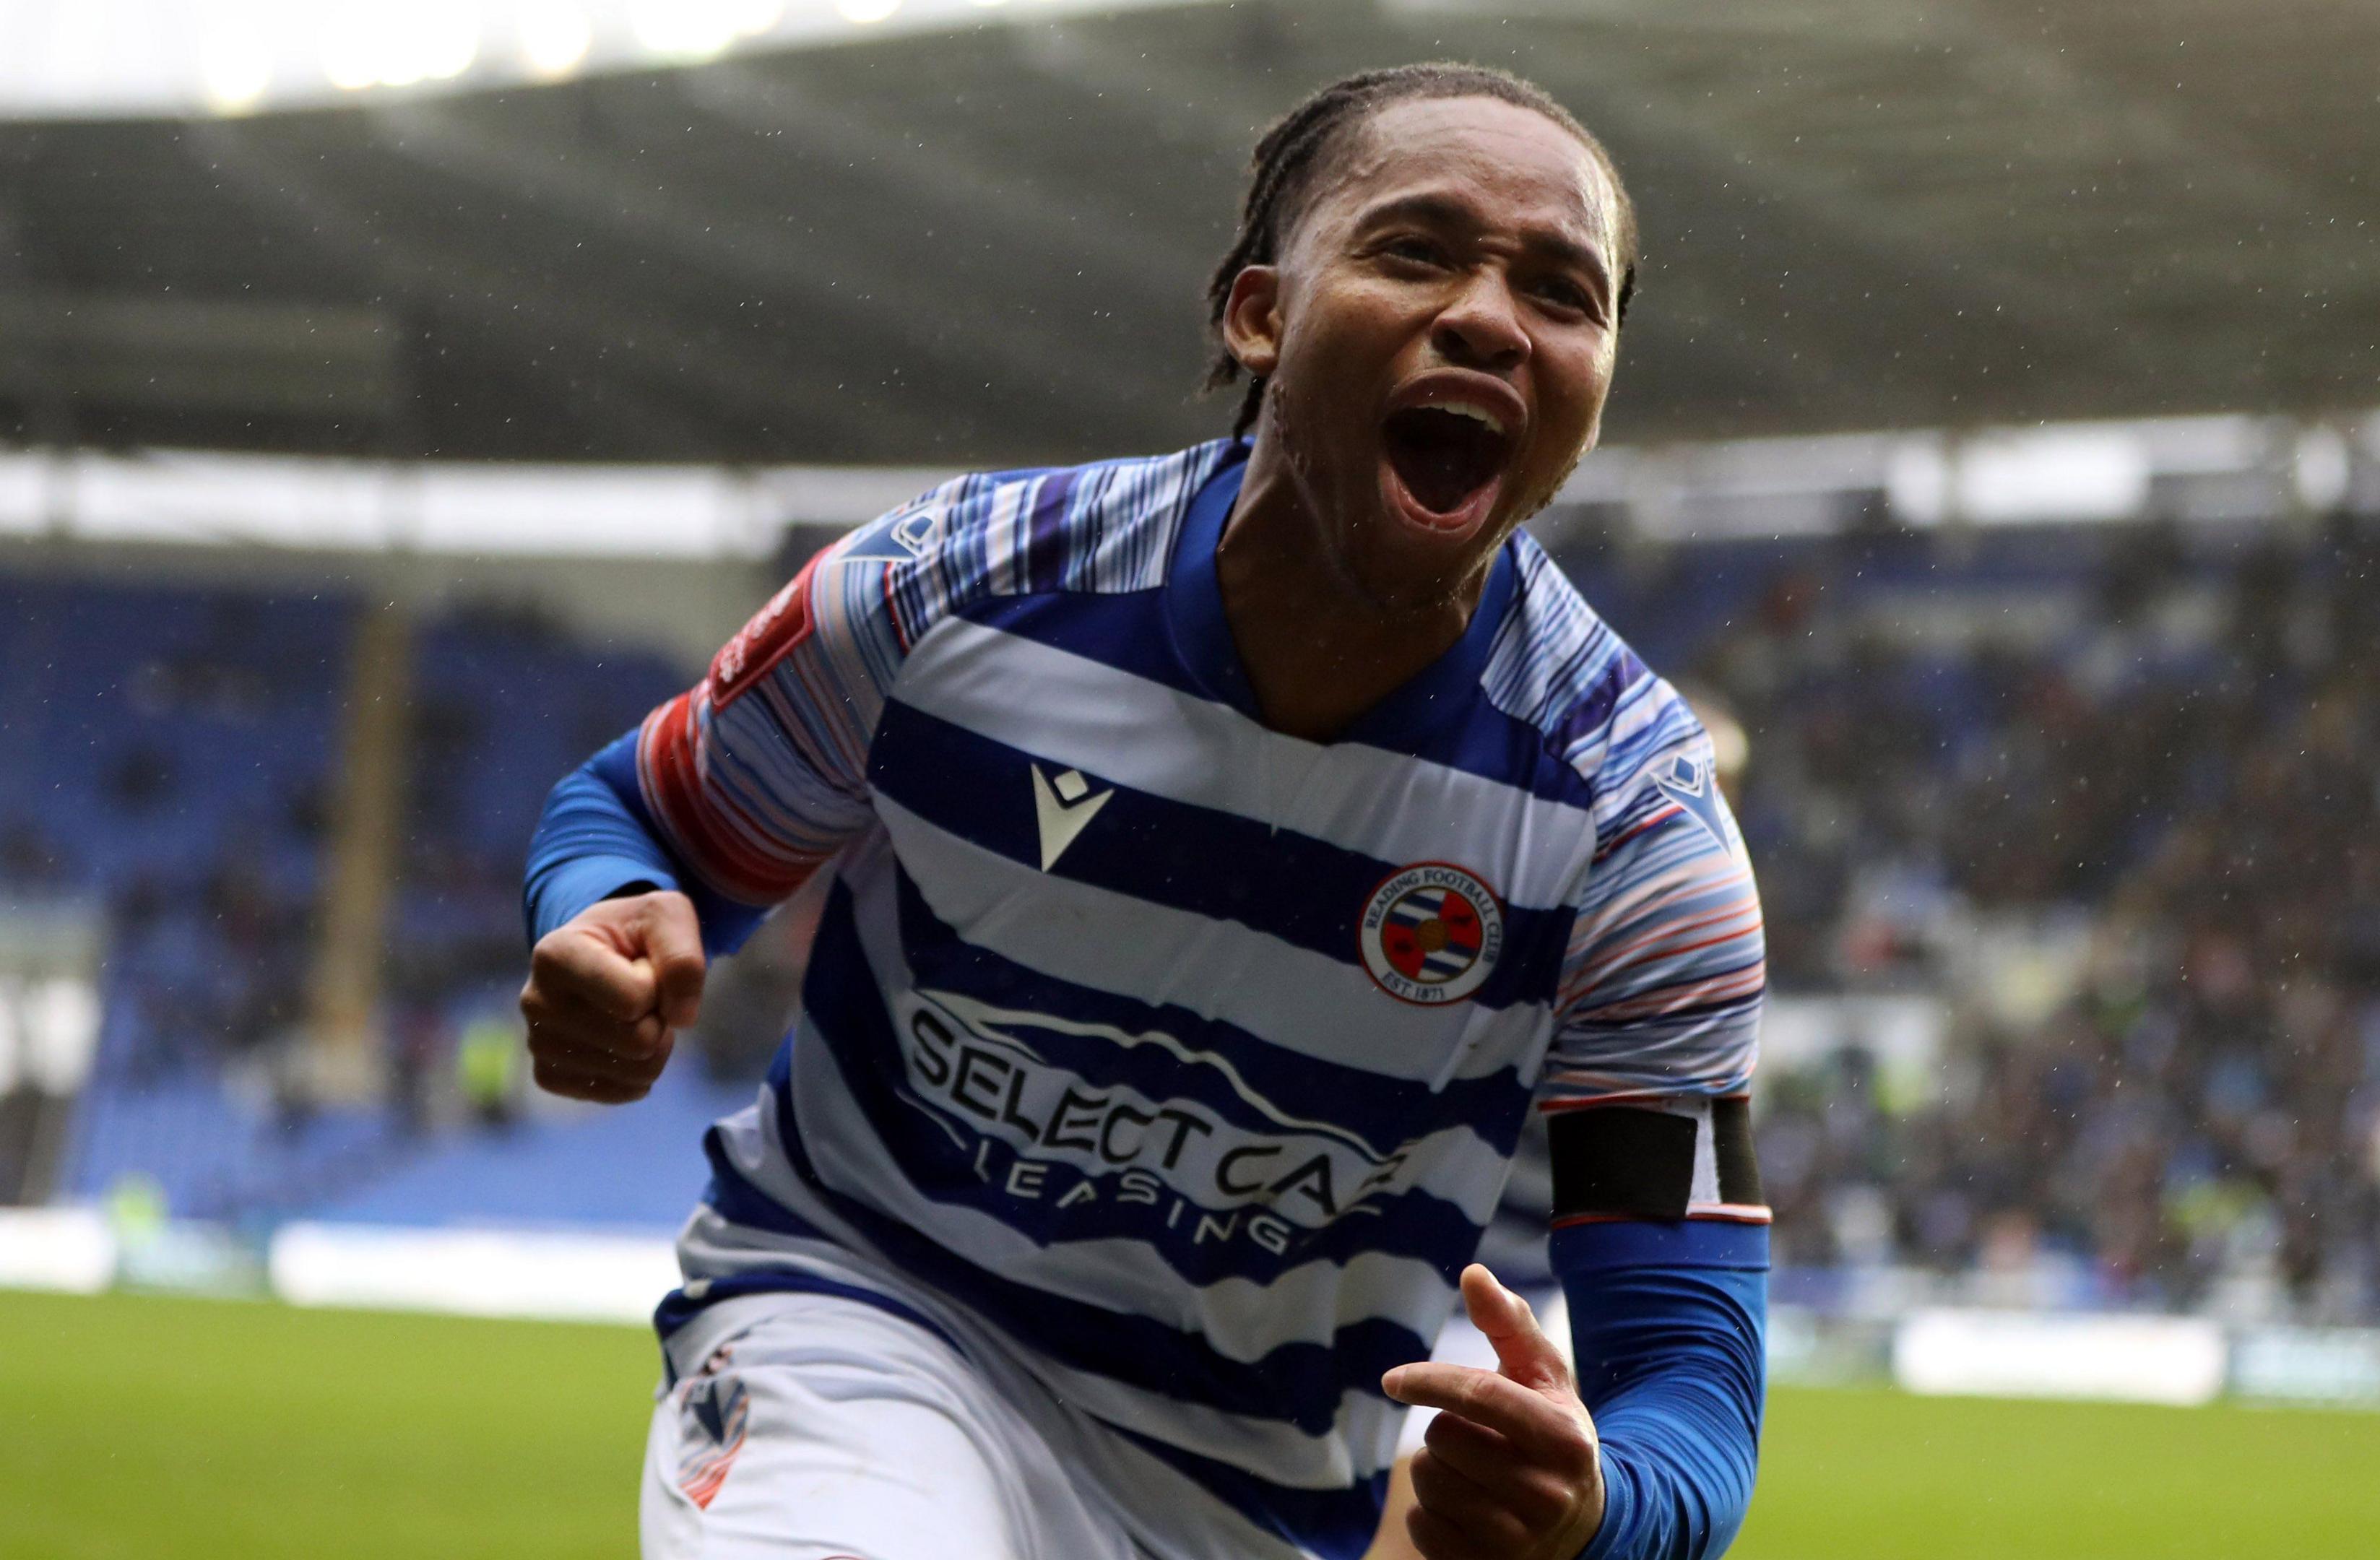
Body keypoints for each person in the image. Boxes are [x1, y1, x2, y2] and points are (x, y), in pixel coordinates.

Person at [520, 62, 1769, 1560]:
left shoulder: (1638, 832)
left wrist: (1598, 1506)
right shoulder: (949, 590)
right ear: (1259, 312)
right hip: (868, 1323)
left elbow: (1690, 1377)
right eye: (1417, 252)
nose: (1495, 319)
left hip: (1253, 1505)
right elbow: (646, 817)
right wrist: (607, 917)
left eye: (1564, 292)